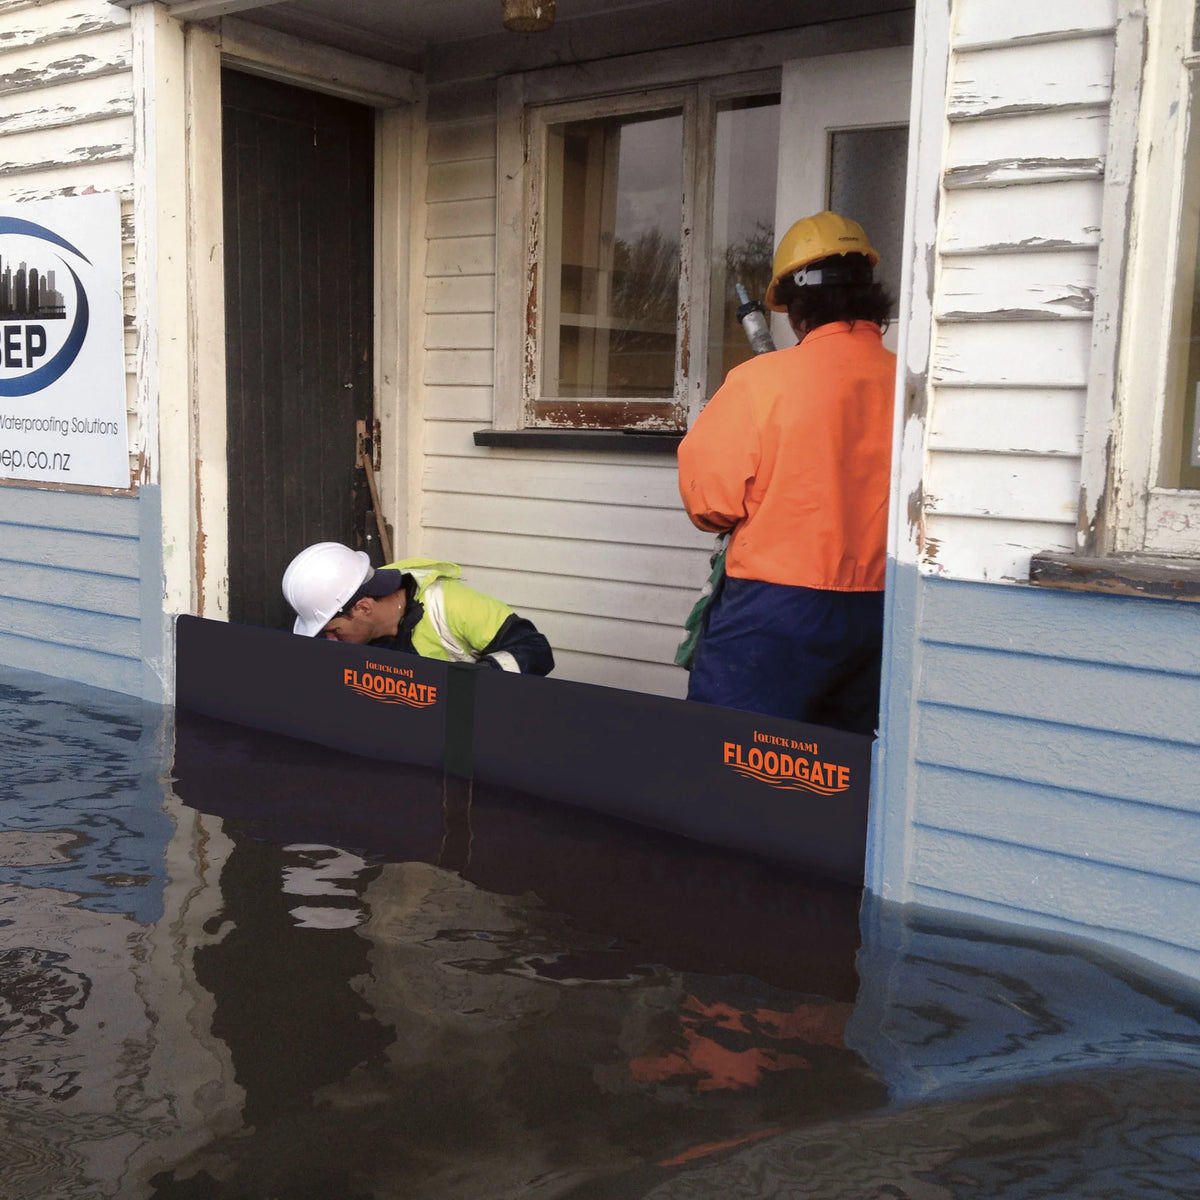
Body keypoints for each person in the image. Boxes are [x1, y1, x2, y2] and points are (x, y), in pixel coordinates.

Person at [676, 210, 896, 735]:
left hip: (775, 610)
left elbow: (711, 503)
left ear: (797, 312)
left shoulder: (758, 382)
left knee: (728, 755)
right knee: (844, 770)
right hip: (885, 608)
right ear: (872, 300)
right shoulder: (915, 386)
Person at [281, 542, 554, 675]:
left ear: (364, 608)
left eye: (335, 632)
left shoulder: (448, 604)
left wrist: (476, 681)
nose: (331, 641)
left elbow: (536, 650)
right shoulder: (349, 601)